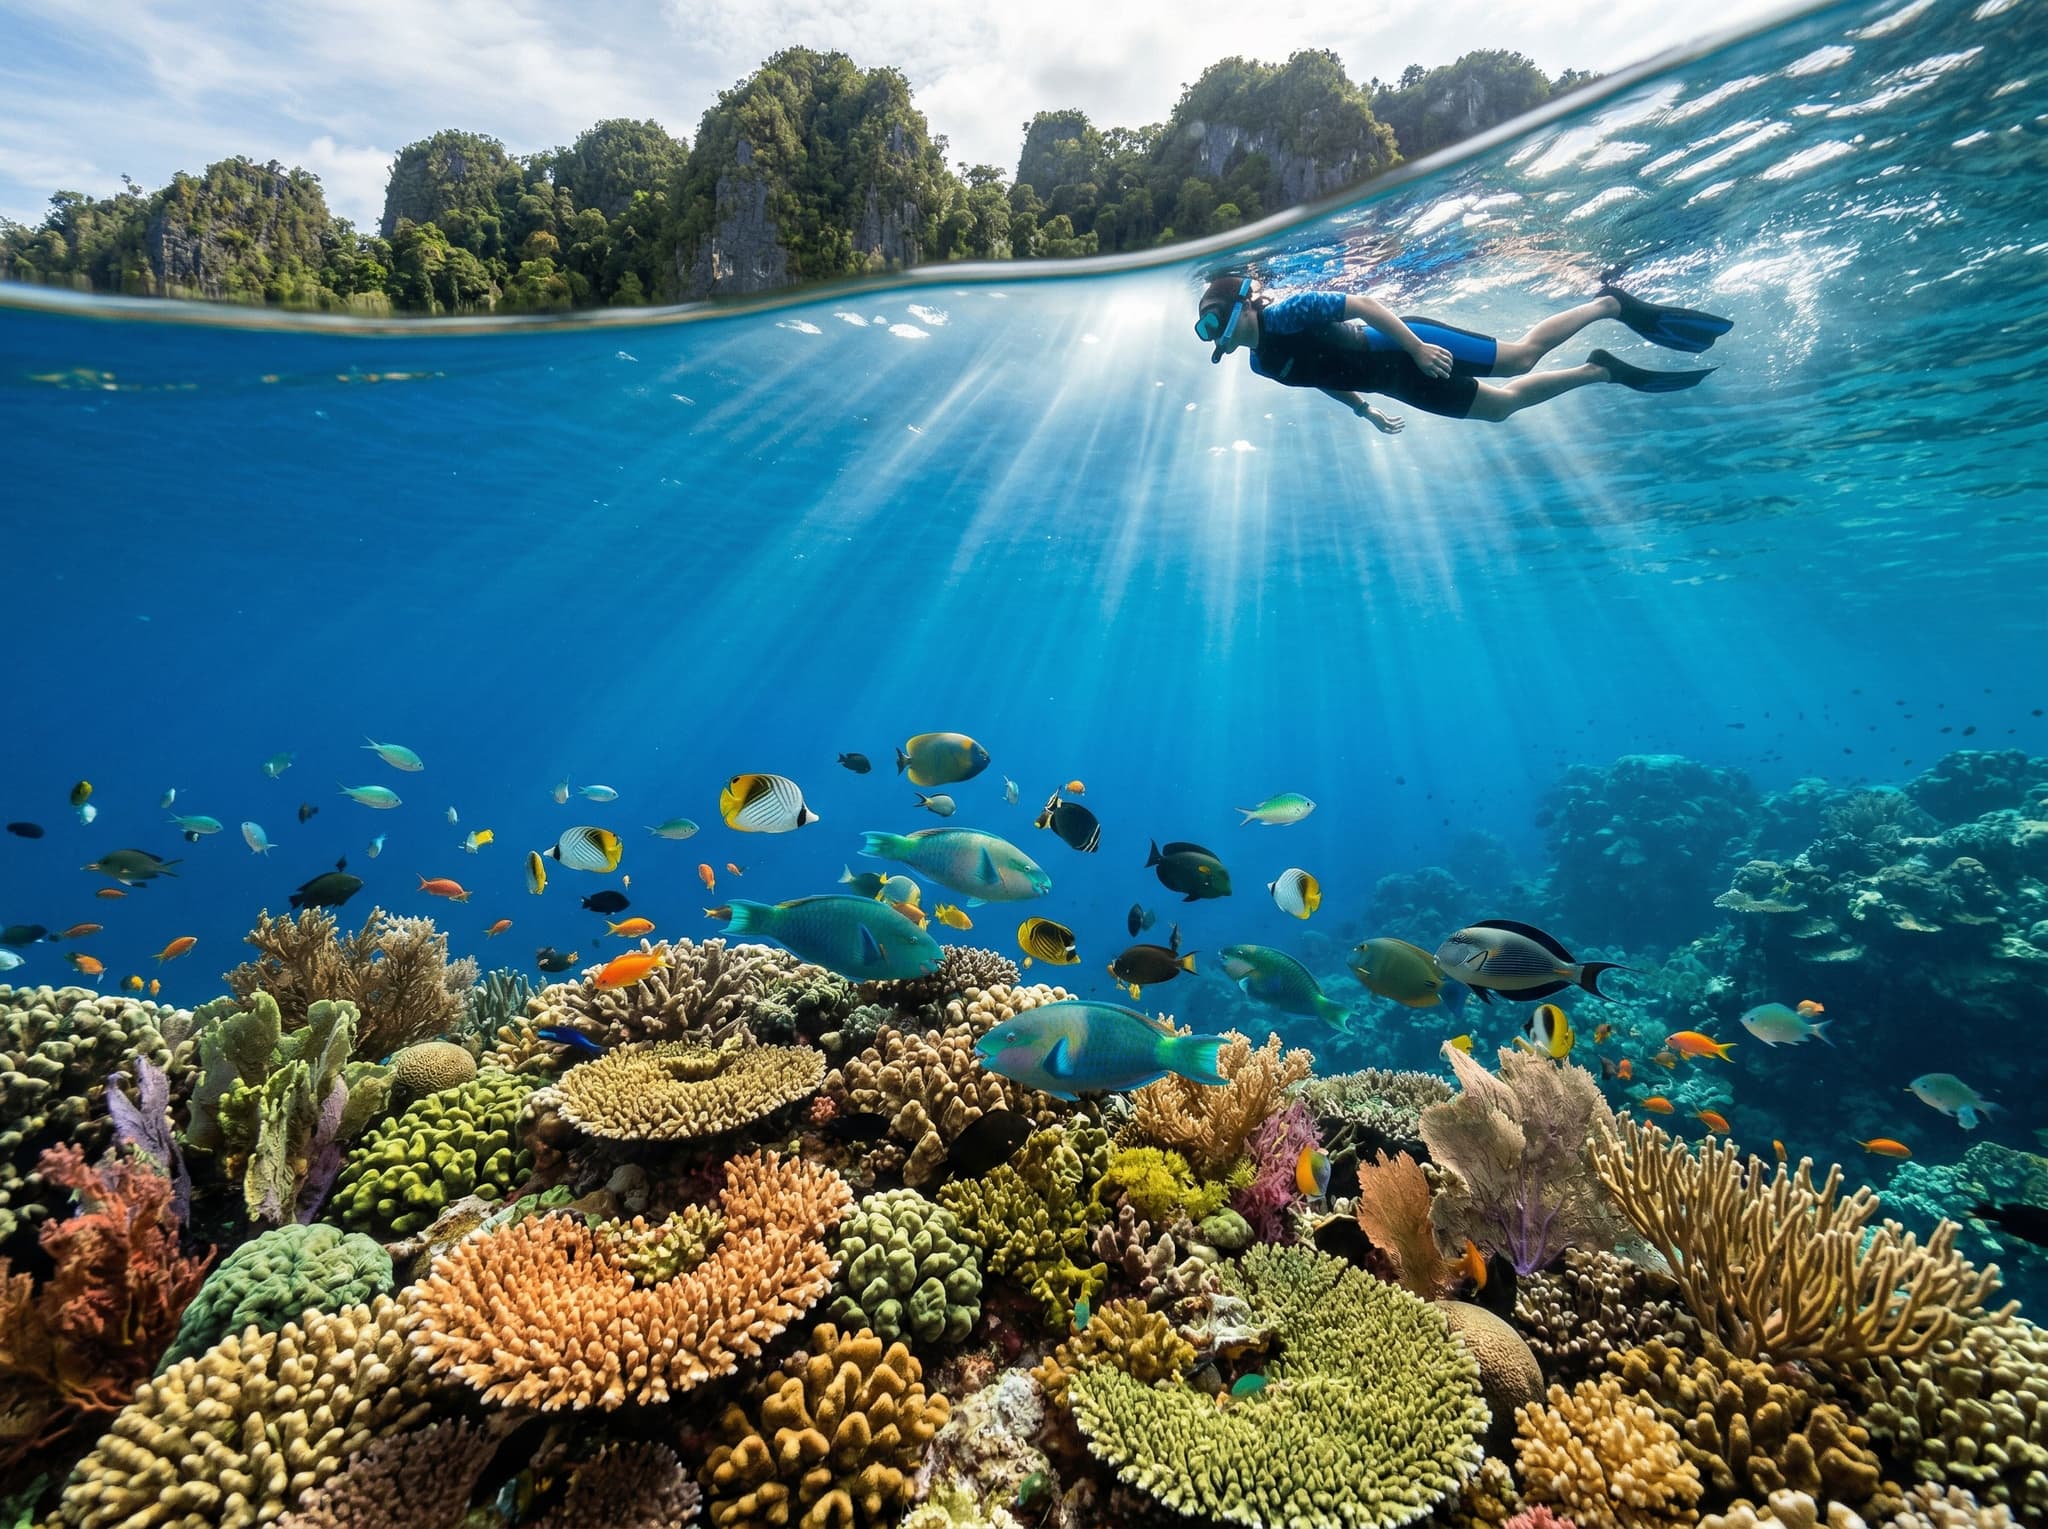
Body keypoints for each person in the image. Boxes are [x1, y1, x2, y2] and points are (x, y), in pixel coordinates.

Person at [1193, 275, 1732, 432]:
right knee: (1500, 409)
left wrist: (1418, 348)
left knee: (1520, 359)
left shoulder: (1288, 312)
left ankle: (1609, 304)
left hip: (1406, 345)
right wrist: (1364, 409)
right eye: (1205, 326)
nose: (1213, 331)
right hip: (1395, 383)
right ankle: (1600, 369)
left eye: (1215, 317)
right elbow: (1318, 377)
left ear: (1244, 303)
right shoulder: (1264, 364)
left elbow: (1364, 303)